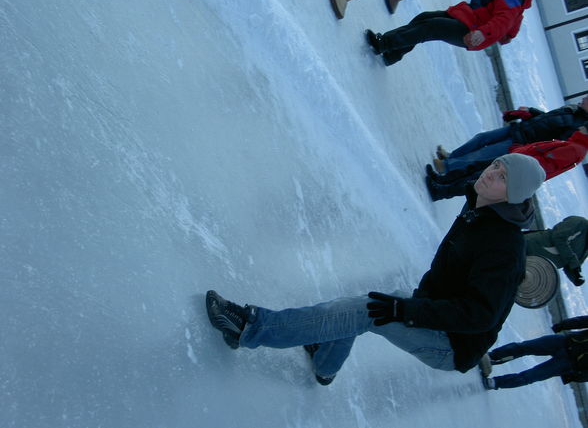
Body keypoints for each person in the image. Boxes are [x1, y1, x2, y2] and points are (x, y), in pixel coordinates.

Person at [206, 154, 545, 385]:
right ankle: (326, 362)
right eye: (496, 166)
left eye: (502, 177)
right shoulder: (480, 206)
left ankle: (248, 328)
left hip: (451, 344)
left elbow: (479, 314)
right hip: (434, 313)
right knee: (368, 305)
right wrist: (412, 304)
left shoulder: (504, 245)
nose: (491, 174)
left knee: (367, 311)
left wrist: (407, 310)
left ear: (513, 195)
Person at [365, 0, 532, 66]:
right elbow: (512, 24)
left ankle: (383, 44)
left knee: (432, 27)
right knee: (424, 18)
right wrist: (509, 36)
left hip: (473, 32)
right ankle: (393, 54)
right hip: (467, 17)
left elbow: (504, 21)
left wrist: (483, 32)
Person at [432, 98, 588, 175]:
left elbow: (554, 143)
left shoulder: (578, 126)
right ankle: (451, 157)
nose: (584, 98)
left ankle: (447, 167)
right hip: (519, 128)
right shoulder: (572, 109)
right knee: (481, 138)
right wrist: (530, 111)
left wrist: (526, 150)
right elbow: (548, 118)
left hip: (522, 142)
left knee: (484, 154)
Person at [425, 127, 588, 201]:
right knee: (474, 168)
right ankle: (442, 181)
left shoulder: (575, 149)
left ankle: (442, 191)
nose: (580, 127)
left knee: (477, 178)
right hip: (514, 159)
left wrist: (519, 154)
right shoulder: (574, 146)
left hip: (515, 167)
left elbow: (542, 163)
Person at [481, 315, 588, 390]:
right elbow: (583, 321)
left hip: (569, 363)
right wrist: (563, 325)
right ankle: (492, 357)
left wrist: (574, 376)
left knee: (530, 376)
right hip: (564, 342)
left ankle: (497, 382)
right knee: (524, 347)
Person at [525, 216, 588, 287]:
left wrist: (576, 277)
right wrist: (573, 262)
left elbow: (569, 266)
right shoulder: (580, 223)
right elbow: (558, 237)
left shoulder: (585, 250)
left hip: (534, 265)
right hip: (527, 248)